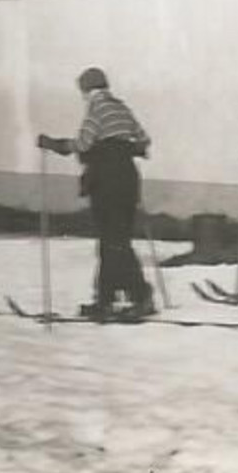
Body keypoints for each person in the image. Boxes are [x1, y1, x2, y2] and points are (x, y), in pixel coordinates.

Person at [38, 67, 155, 322]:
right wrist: (125, 148)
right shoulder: (121, 107)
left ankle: (140, 297)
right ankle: (107, 299)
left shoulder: (96, 108)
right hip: (128, 179)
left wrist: (54, 144)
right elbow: (144, 139)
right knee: (116, 240)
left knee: (112, 242)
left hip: (107, 181)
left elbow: (83, 144)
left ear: (87, 89)